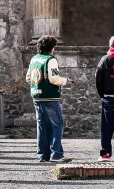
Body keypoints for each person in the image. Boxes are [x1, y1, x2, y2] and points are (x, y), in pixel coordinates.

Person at [27, 35, 72, 163]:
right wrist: (66, 81)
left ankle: (43, 154)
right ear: (51, 48)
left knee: (42, 127)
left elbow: (29, 78)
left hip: (36, 96)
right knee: (57, 125)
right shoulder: (50, 60)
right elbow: (54, 79)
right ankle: (56, 154)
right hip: (50, 97)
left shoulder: (34, 59)